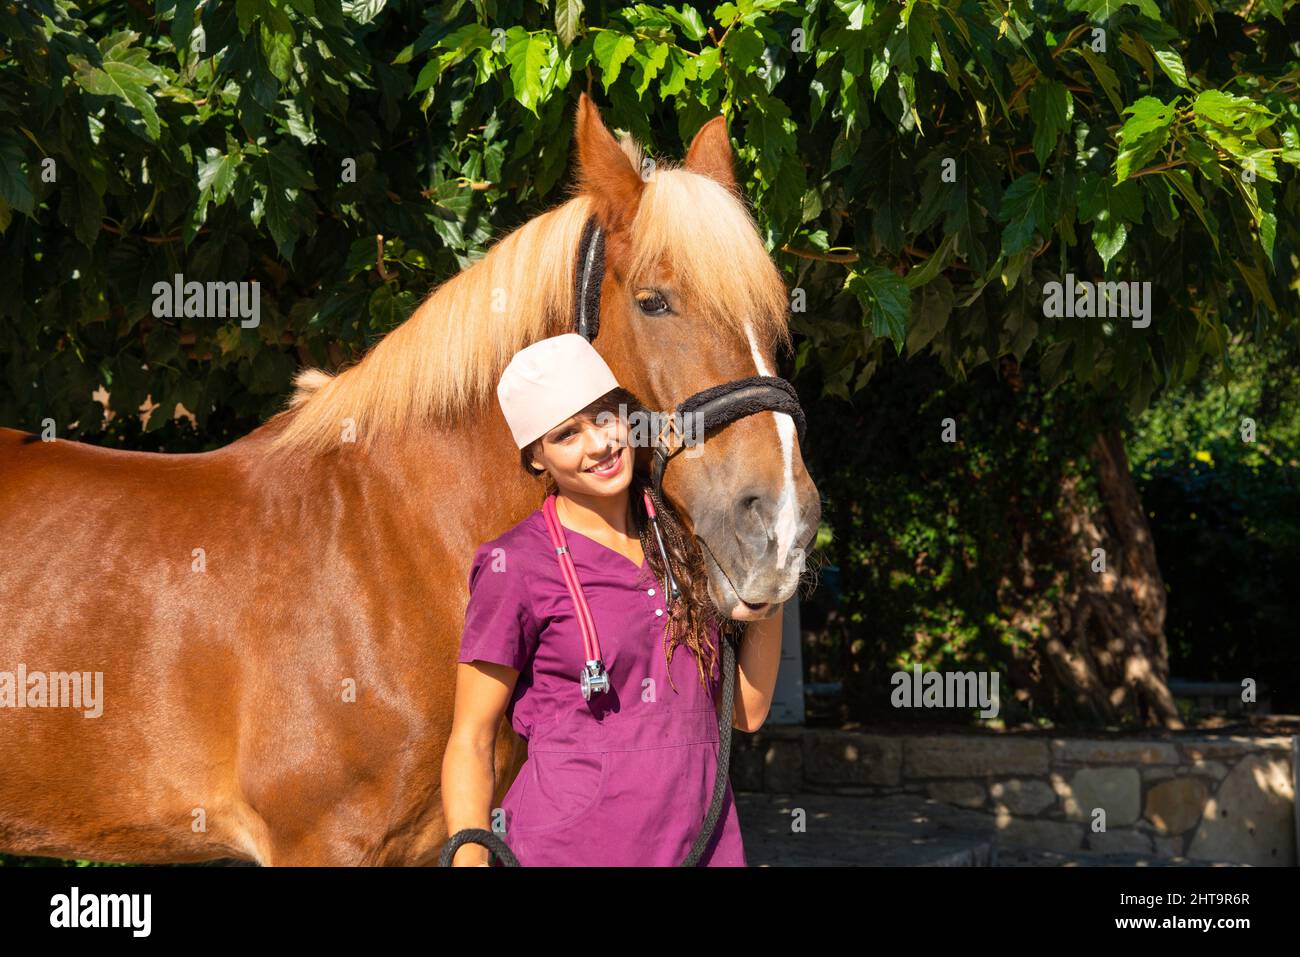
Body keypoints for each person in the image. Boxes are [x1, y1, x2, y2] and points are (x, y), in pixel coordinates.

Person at [441, 333, 781, 866]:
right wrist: (468, 861)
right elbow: (471, 739)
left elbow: (746, 712)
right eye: (566, 436)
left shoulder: (685, 539)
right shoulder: (516, 566)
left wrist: (770, 585)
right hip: (566, 850)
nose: (598, 445)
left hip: (704, 845)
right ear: (536, 458)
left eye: (604, 418)